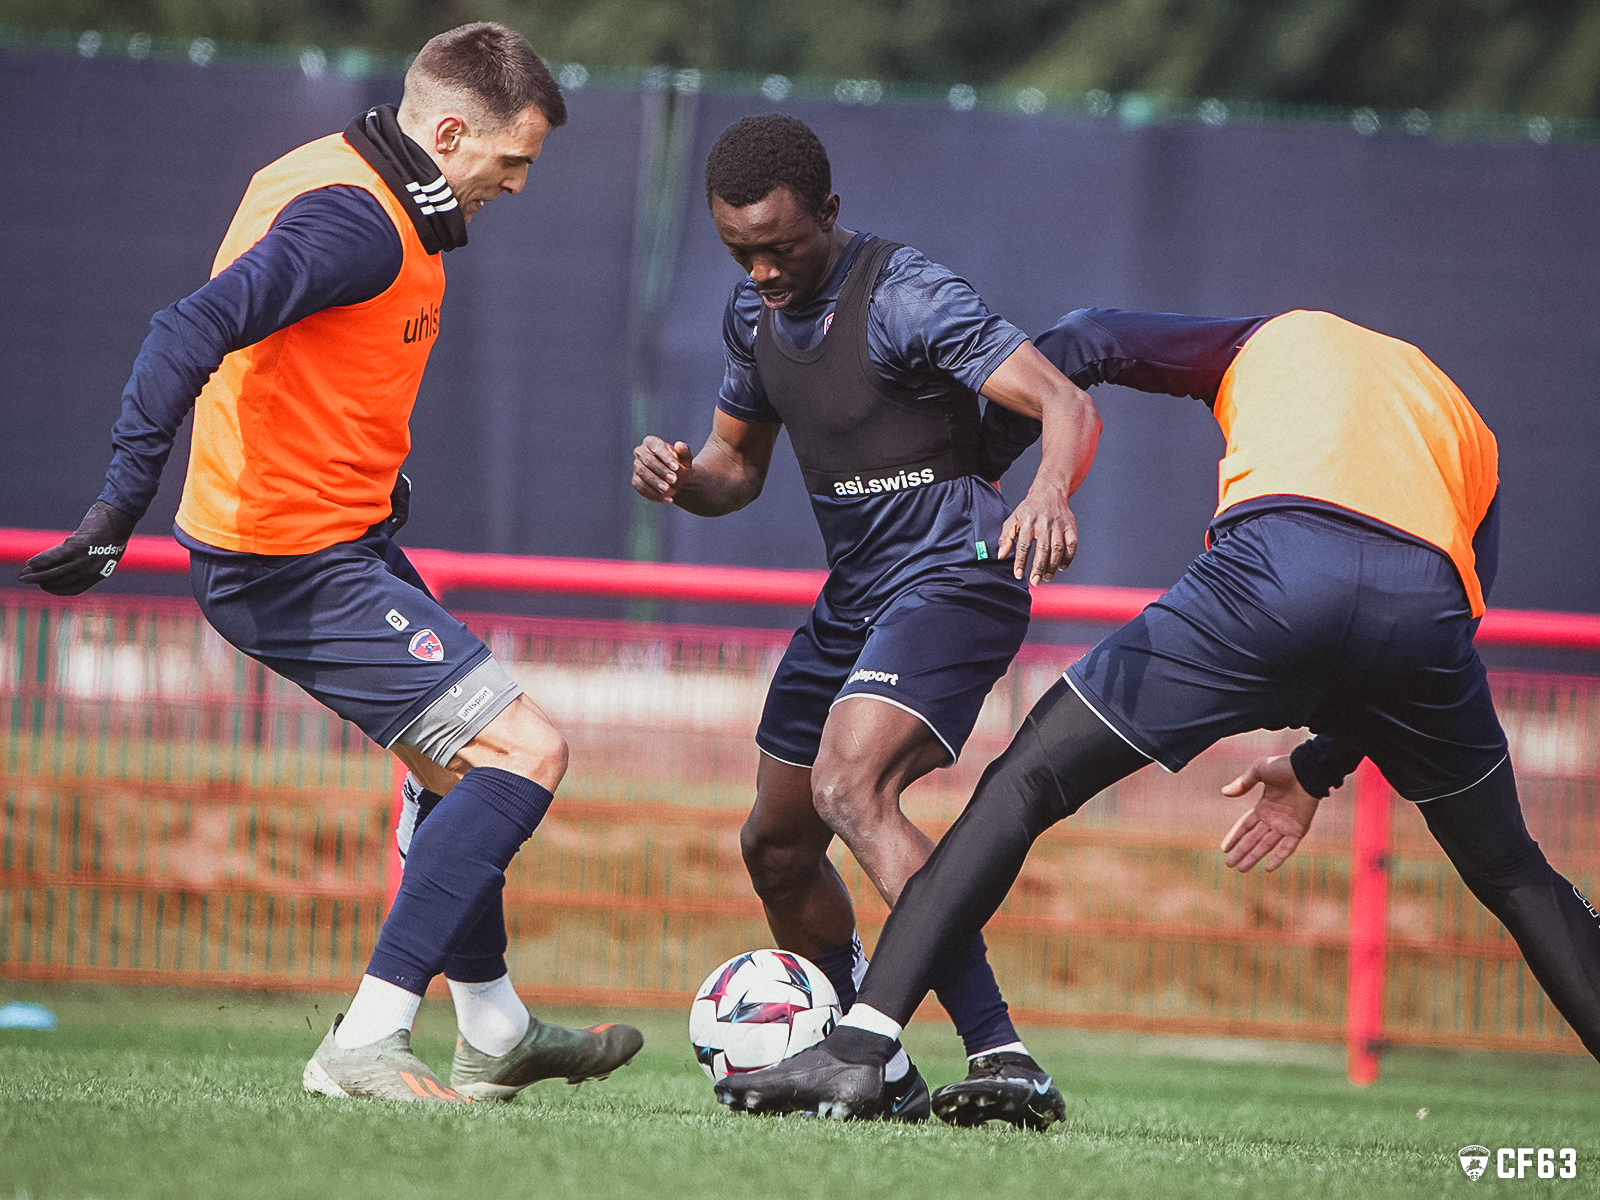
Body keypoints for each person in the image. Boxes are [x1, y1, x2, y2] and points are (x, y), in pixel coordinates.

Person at [716, 306, 1600, 1118]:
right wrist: (1315, 766)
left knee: (1024, 783)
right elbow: (1445, 615)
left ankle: (866, 1043)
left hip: (1269, 582)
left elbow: (1089, 340)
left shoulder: (1266, 340)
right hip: (1424, 616)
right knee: (1519, 878)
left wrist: (985, 462)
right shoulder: (1467, 428)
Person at [21, 22, 643, 1104]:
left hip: (333, 537)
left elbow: (291, 367)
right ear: (450, 132)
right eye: (511, 162)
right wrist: (119, 507)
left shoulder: (339, 171)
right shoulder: (356, 221)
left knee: (453, 770)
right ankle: (363, 1040)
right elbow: (186, 331)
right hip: (286, 559)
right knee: (526, 750)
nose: (517, 184)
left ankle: (493, 1027)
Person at [631, 115, 1103, 1129]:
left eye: (780, 248)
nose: (760, 270)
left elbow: (1064, 400)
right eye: (739, 252)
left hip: (956, 578)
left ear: (829, 215)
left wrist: (1048, 494)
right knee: (777, 846)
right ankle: (872, 1063)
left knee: (852, 784)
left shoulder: (908, 295)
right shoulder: (751, 320)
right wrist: (682, 481)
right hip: (855, 597)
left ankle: (1001, 1054)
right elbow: (736, 473)